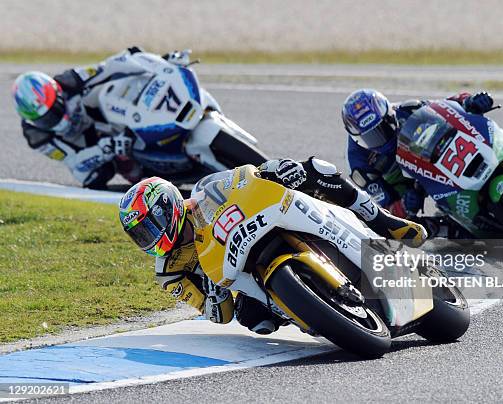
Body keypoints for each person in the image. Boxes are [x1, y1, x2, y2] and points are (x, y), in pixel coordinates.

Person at [118, 157, 427, 335]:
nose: (150, 237)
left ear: (167, 206)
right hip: (246, 277)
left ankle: (385, 222)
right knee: (254, 320)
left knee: (316, 168)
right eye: (141, 235)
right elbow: (218, 315)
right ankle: (314, 311)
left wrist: (275, 169)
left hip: (265, 221)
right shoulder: (170, 271)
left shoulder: (203, 192)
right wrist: (214, 293)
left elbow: (244, 178)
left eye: (149, 227)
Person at [342, 89, 503, 237]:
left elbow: (448, 106)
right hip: (407, 188)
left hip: (434, 161)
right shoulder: (359, 162)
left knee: (483, 132)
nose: (382, 138)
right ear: (359, 138)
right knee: (406, 229)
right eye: (372, 137)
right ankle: (450, 230)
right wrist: (403, 206)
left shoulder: (406, 109)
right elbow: (377, 208)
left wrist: (471, 100)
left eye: (384, 128)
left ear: (389, 116)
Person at [11, 47, 192, 189]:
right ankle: (149, 172)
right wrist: (104, 149)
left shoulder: (69, 81)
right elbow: (75, 163)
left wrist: (159, 64)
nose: (53, 118)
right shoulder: (36, 136)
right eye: (45, 120)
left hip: (97, 115)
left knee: (114, 91)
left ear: (57, 93)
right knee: (94, 178)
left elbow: (110, 67)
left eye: (54, 110)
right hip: (86, 145)